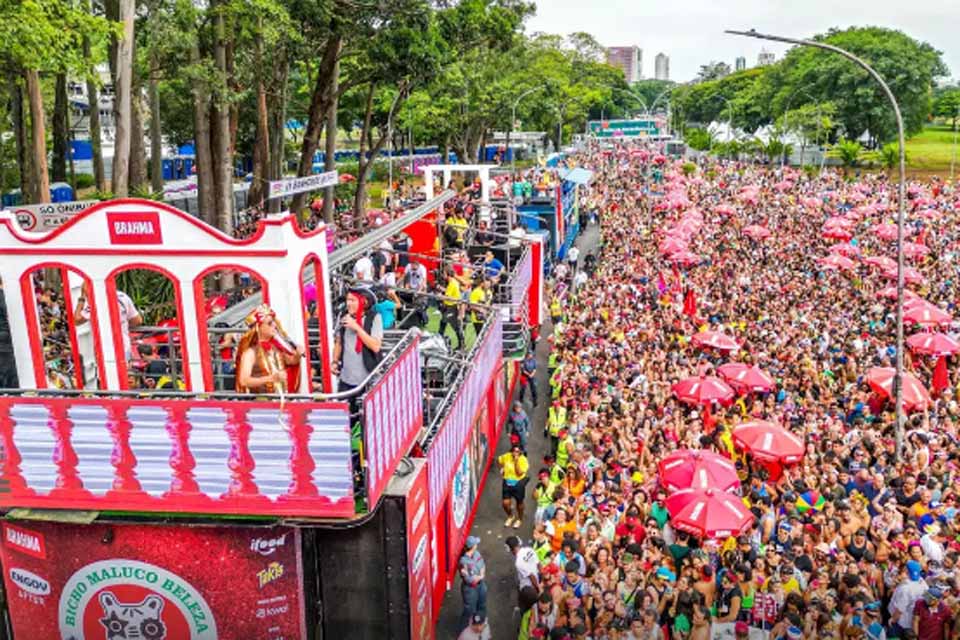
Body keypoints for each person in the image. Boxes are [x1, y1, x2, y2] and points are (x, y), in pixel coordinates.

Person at [235, 304, 303, 394]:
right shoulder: (250, 352)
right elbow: (244, 381)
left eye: (274, 322)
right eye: (270, 323)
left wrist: (298, 354)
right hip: (261, 403)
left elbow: (292, 361)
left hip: (281, 401)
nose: (274, 325)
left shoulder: (276, 348)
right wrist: (271, 378)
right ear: (258, 328)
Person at [331, 288, 383, 395]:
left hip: (368, 378)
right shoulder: (343, 316)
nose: (348, 303)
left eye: (352, 300)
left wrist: (357, 327)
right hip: (346, 377)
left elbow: (376, 346)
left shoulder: (374, 318)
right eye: (347, 300)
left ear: (364, 302)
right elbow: (338, 342)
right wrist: (335, 361)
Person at [458, 536, 487, 632]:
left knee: (482, 606)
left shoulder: (477, 554)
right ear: (472, 546)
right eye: (475, 544)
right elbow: (469, 579)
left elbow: (482, 565)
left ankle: (479, 625)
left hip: (481, 585)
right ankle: (464, 631)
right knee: (469, 611)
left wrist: (480, 576)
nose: (477, 545)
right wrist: (478, 577)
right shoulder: (463, 561)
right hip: (470, 589)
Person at [498, 442, 529, 528]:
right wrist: (502, 468)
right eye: (514, 451)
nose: (515, 453)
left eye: (518, 452)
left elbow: (519, 473)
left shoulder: (523, 460)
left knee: (519, 503)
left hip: (518, 483)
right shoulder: (506, 456)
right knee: (505, 503)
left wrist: (516, 462)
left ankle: (520, 519)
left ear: (520, 452)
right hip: (507, 481)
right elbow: (499, 460)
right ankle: (510, 516)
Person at [506, 535, 540, 611]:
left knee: (526, 606)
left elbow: (531, 576)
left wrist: (538, 588)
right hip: (536, 581)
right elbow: (538, 564)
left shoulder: (519, 562)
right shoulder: (529, 549)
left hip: (527, 588)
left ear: (510, 549)